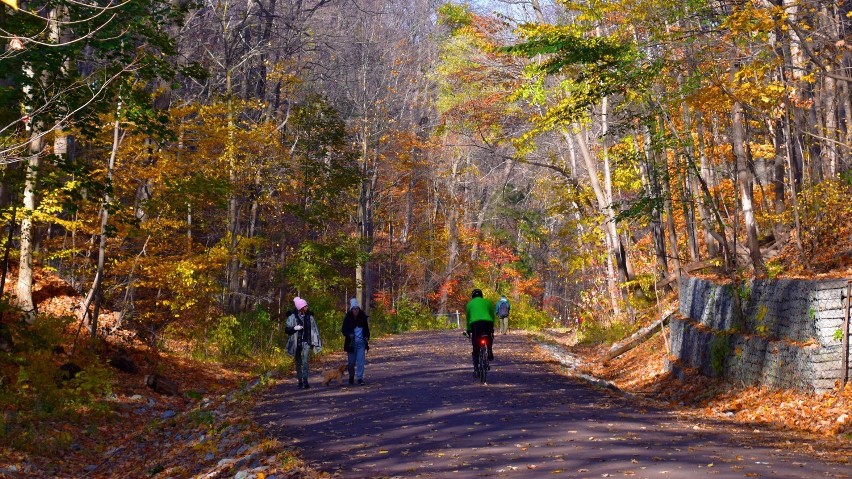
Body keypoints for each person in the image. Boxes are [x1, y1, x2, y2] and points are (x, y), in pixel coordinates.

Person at [285, 296, 322, 389]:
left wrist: (316, 342)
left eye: (307, 306)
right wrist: (294, 328)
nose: (307, 308)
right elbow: (287, 330)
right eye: (305, 306)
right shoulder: (292, 317)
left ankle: (305, 381)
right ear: (300, 308)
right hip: (296, 343)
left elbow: (314, 330)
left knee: (305, 362)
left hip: (306, 342)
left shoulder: (310, 317)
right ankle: (300, 381)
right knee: (298, 362)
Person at [464, 288, 495, 375]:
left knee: (475, 345)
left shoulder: (469, 304)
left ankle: (476, 369)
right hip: (487, 322)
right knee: (489, 336)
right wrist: (492, 326)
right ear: (481, 295)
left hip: (475, 324)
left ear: (472, 296)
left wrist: (468, 329)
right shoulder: (487, 302)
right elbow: (492, 315)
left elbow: (468, 318)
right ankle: (489, 351)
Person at [341, 298, 370, 385]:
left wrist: (366, 337)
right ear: (351, 309)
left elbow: (367, 330)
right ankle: (351, 376)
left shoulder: (363, 318)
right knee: (351, 363)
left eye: (357, 308)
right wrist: (349, 334)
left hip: (361, 343)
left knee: (360, 362)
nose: (356, 310)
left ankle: (360, 378)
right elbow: (343, 330)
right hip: (351, 344)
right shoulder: (347, 319)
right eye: (354, 309)